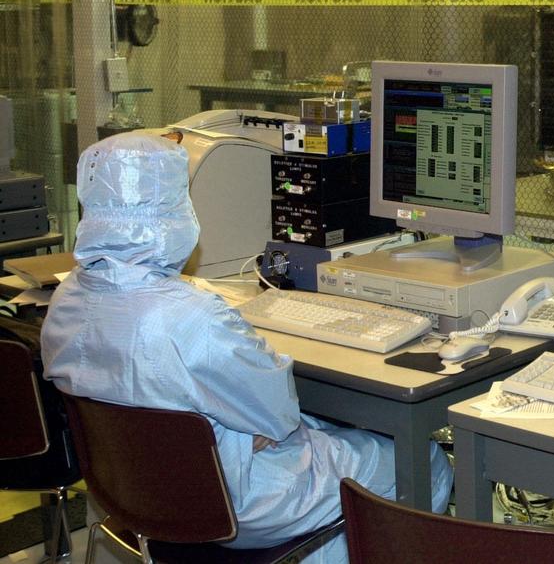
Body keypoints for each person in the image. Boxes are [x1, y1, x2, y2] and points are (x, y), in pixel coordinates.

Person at [40, 131, 452, 562]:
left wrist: (237, 426)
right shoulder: (191, 318)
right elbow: (278, 414)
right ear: (170, 210)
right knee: (423, 460)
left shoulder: (66, 301)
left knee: (323, 431)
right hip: (237, 504)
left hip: (138, 494)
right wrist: (250, 426)